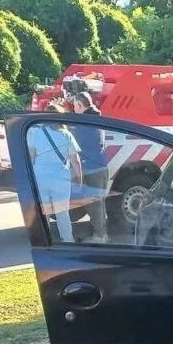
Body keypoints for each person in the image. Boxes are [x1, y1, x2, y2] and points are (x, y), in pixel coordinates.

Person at [27, 103, 82, 243]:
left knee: (44, 211)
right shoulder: (66, 135)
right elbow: (75, 160)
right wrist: (79, 177)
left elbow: (32, 156)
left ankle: (45, 239)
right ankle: (68, 239)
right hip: (60, 179)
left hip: (40, 177)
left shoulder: (37, 133)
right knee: (62, 212)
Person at [71, 92, 108, 242]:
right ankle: (101, 233)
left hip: (91, 168)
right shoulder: (96, 119)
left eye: (74, 106)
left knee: (94, 204)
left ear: (80, 105)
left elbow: (79, 145)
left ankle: (99, 236)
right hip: (99, 166)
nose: (73, 109)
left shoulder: (84, 123)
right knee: (99, 203)